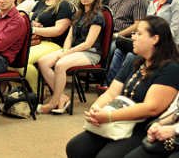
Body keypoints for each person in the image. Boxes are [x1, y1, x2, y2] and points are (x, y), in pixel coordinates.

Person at [66, 16, 179, 158]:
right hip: (116, 119)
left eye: (139, 33)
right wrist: (96, 109)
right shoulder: (134, 61)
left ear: (155, 39)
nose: (133, 37)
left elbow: (151, 108)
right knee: (75, 148)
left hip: (141, 127)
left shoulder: (170, 68)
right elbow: (111, 93)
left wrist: (109, 116)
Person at [37, 0, 104, 114]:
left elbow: (88, 44)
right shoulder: (79, 13)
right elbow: (69, 36)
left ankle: (53, 103)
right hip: (73, 50)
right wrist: (65, 50)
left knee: (60, 65)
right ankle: (62, 98)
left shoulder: (98, 17)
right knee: (43, 61)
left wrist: (67, 53)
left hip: (90, 53)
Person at [26, 0, 74, 93]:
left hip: (54, 44)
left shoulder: (64, 5)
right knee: (15, 58)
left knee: (24, 60)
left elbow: (58, 30)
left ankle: (58, 95)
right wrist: (33, 24)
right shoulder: (41, 2)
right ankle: (33, 92)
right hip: (36, 41)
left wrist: (36, 29)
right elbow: (31, 19)